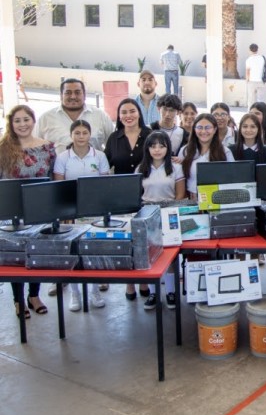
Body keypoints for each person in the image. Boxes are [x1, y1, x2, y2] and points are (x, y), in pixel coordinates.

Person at [0, 105, 56, 318]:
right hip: (11, 210)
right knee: (15, 257)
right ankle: (18, 300)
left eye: (26, 119)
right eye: (18, 121)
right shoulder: (3, 148)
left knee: (37, 253)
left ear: (33, 121)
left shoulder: (47, 147)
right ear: (11, 124)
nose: (22, 124)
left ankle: (34, 295)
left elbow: (51, 177)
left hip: (39, 209)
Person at [53, 119, 110, 311]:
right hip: (71, 212)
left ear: (90, 134)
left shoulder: (99, 156)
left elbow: (104, 184)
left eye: (84, 132)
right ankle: (75, 294)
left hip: (93, 211)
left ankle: (94, 291)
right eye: (77, 133)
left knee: (92, 250)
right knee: (74, 251)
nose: (81, 136)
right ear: (71, 135)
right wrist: (65, 212)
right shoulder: (63, 158)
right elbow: (59, 186)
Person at [138, 130, 186, 310]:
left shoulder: (175, 168)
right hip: (148, 213)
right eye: (153, 146)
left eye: (161, 146)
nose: (157, 150)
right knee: (150, 255)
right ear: (147, 148)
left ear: (168, 148)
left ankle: (171, 292)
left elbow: (180, 195)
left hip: (169, 213)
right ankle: (153, 293)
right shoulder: (140, 168)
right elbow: (138, 195)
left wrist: (171, 209)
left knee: (170, 254)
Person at [36, 78, 115, 154]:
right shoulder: (46, 118)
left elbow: (114, 147)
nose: (73, 96)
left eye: (77, 92)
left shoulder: (100, 116)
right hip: (58, 168)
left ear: (84, 95)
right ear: (61, 96)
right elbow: (34, 148)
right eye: (68, 93)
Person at [178, 112, 234, 200]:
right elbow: (179, 178)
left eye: (208, 127)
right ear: (194, 129)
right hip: (191, 200)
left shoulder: (225, 152)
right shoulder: (185, 151)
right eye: (199, 127)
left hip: (217, 199)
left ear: (215, 129)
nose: (203, 131)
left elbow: (232, 178)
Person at [104, 98, 152, 176]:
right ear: (119, 116)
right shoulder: (113, 138)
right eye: (124, 112)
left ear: (139, 114)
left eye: (132, 111)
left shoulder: (151, 135)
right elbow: (104, 165)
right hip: (121, 186)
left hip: (147, 186)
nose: (128, 115)